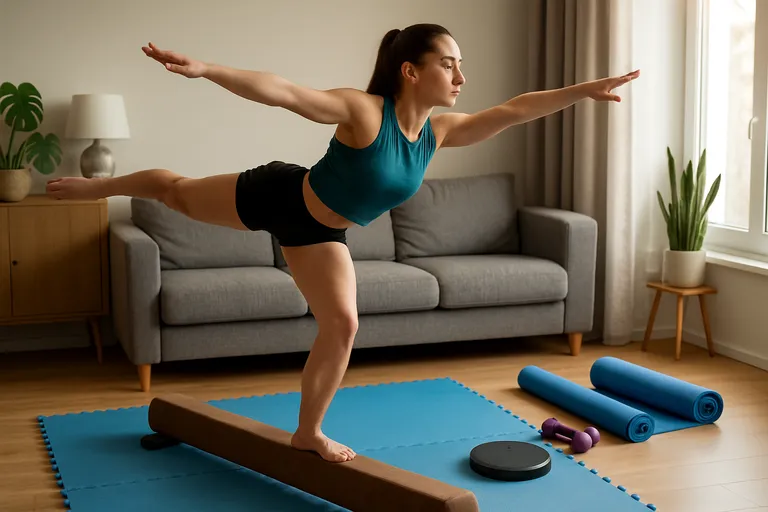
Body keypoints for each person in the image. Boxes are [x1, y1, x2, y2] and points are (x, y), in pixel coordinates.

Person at [47, 24, 638, 463]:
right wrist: (207, 69)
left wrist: (585, 89)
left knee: (343, 326)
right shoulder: (364, 112)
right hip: (281, 195)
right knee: (175, 192)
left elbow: (514, 110)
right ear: (411, 70)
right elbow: (283, 91)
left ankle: (308, 431)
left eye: (461, 66)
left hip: (321, 233)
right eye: (449, 64)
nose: (461, 78)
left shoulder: (436, 132)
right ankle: (102, 186)